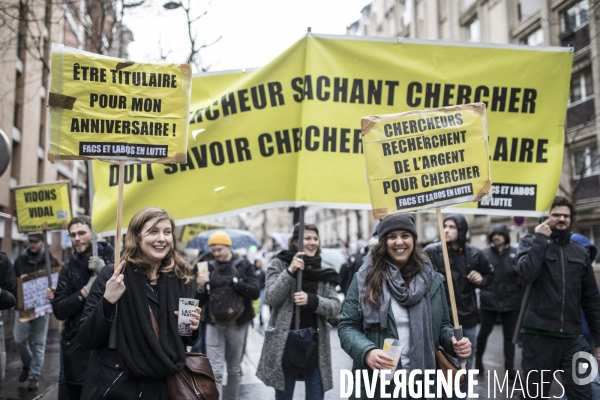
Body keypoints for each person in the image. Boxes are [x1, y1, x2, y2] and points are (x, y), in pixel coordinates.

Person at [338, 214, 471, 398]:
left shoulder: (432, 279)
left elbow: (442, 326)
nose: (399, 242)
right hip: (378, 385)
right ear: (384, 241)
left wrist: (454, 342)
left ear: (413, 240)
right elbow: (347, 326)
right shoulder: (364, 278)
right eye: (392, 236)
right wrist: (367, 351)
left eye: (405, 235)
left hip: (423, 383)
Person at [78, 207, 200, 399]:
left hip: (164, 386)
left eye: (167, 232)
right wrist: (108, 300)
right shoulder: (113, 275)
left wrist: (192, 326)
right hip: (121, 386)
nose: (162, 238)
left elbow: (186, 339)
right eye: (153, 231)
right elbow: (86, 339)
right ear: (136, 237)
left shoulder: (180, 277)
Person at [517, 196, 600, 400]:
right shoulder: (530, 243)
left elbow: (591, 300)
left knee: (582, 394)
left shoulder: (579, 252)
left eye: (566, 215)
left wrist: (598, 340)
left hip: (573, 338)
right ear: (546, 217)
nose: (561, 219)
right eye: (556, 215)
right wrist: (540, 240)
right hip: (538, 336)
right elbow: (525, 274)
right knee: (534, 395)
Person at [256, 223, 341, 400]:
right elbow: (270, 297)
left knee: (316, 395)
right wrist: (290, 272)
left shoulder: (324, 271)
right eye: (307, 238)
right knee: (284, 395)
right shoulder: (278, 264)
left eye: (315, 238)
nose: (312, 242)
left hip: (316, 344)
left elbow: (335, 307)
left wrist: (313, 301)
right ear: (295, 242)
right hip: (285, 342)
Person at [49, 216, 114, 400]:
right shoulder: (69, 268)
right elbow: (60, 310)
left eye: (82, 233)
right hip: (75, 343)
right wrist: (85, 291)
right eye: (73, 235)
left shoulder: (115, 259)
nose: (77, 238)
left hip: (106, 343)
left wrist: (106, 272)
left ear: (94, 234)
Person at [424, 213, 494, 370]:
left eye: (452, 227)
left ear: (461, 230)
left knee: (465, 361)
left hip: (467, 317)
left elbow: (491, 278)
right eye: (444, 226)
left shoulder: (475, 253)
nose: (446, 230)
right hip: (440, 319)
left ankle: (463, 391)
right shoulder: (432, 252)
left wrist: (481, 279)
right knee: (440, 361)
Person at [196, 231, 259, 400]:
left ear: (229, 247)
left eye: (219, 249)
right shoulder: (205, 266)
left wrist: (236, 282)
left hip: (238, 323)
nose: (216, 254)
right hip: (214, 322)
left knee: (233, 368)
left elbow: (254, 293)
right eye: (213, 250)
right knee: (215, 368)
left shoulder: (244, 265)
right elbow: (199, 300)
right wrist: (201, 287)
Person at [13, 232, 59, 390]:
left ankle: (34, 376)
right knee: (19, 339)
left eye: (35, 241)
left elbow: (57, 281)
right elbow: (11, 279)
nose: (32, 244)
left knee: (39, 342)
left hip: (42, 308)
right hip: (24, 307)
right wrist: (19, 280)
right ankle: (28, 364)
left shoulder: (50, 260)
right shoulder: (20, 259)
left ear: (42, 242)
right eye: (30, 241)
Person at [476, 224, 520, 379]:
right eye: (494, 234)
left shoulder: (515, 253)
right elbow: (479, 275)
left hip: (511, 302)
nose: (497, 237)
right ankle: (478, 363)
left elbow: (521, 277)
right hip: (489, 301)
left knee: (510, 338)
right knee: (483, 334)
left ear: (505, 236)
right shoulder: (484, 253)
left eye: (500, 234)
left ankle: (510, 369)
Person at [562, 233, 600, 400]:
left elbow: (594, 308)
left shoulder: (587, 279)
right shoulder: (562, 281)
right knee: (589, 383)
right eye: (581, 251)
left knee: (580, 383)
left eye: (588, 253)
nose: (585, 256)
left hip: (588, 337)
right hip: (573, 338)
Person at [255, 259, 266, 326]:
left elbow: (265, 282)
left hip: (261, 290)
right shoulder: (253, 272)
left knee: (261, 305)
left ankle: (260, 318)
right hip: (255, 291)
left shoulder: (262, 272)